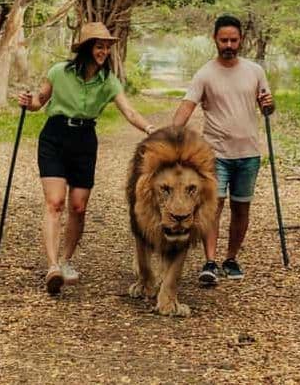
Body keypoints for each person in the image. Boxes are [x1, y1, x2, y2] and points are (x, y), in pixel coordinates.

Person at [18, 22, 156, 295]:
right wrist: (28, 101)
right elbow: (39, 102)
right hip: (55, 136)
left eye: (106, 47)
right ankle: (53, 266)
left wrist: (151, 129)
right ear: (85, 48)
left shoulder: (109, 81)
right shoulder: (59, 73)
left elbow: (129, 111)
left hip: (84, 140)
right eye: (98, 46)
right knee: (55, 202)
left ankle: (66, 260)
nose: (103, 51)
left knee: (78, 207)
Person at [172, 15, 274, 286]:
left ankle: (231, 258)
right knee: (212, 207)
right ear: (215, 40)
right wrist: (170, 135)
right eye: (224, 40)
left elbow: (267, 108)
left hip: (248, 153)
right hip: (215, 153)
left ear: (241, 40)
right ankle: (210, 261)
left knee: (242, 208)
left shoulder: (255, 71)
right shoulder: (205, 73)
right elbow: (187, 105)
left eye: (233, 40)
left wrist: (269, 104)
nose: (229, 44)